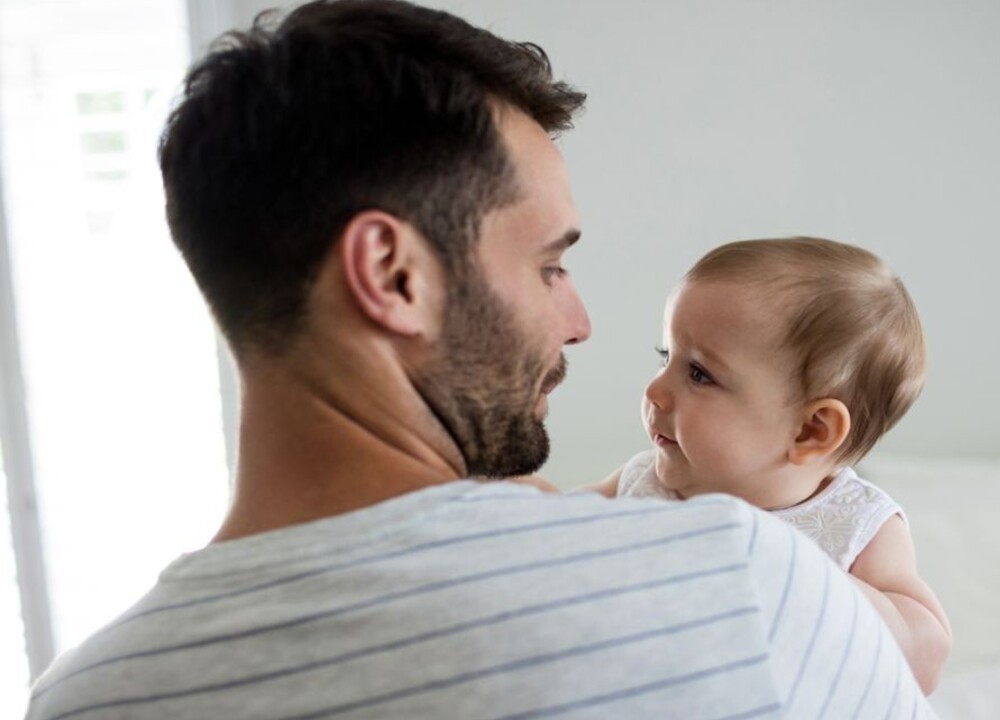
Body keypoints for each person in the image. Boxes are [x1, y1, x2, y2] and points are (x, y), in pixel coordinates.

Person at [26, 2, 934, 717]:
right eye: (549, 266)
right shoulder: (744, 586)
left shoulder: (83, 700)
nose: (579, 323)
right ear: (393, 276)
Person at [588, 237, 952, 693]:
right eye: (666, 358)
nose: (654, 391)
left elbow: (924, 658)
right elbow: (541, 534)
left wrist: (802, 574)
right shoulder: (640, 485)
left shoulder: (855, 524)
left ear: (811, 431)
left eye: (699, 374)